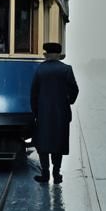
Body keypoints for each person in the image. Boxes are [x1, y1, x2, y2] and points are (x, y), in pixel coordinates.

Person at [30, 41, 79, 184]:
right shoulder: (66, 69)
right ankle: (56, 174)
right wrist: (67, 102)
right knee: (58, 143)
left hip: (43, 114)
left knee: (43, 144)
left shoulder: (40, 70)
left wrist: (36, 111)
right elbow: (74, 90)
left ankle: (45, 174)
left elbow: (33, 93)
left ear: (46, 54)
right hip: (61, 113)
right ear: (59, 55)